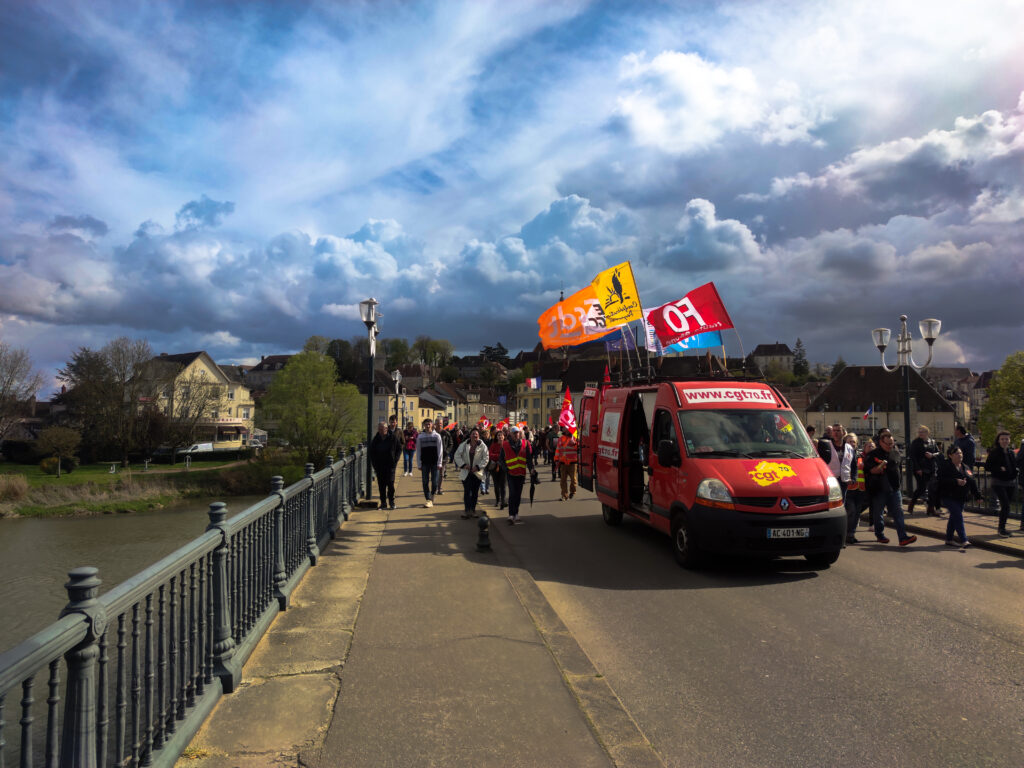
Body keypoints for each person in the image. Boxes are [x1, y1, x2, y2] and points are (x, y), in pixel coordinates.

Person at [865, 429, 917, 546]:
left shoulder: (895, 453)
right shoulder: (873, 455)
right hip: (879, 490)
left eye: (891, 443)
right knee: (878, 514)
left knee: (898, 513)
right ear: (881, 442)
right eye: (887, 443)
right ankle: (880, 534)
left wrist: (899, 484)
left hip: (894, 489)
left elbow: (898, 469)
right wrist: (882, 464)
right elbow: (872, 470)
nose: (890, 446)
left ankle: (903, 538)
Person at [937, 444, 981, 548]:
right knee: (958, 515)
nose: (960, 455)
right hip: (948, 495)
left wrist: (978, 496)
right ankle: (964, 540)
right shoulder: (945, 466)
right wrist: (955, 481)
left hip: (961, 497)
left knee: (954, 517)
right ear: (950, 455)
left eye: (960, 453)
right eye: (957, 453)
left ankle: (949, 539)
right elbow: (940, 480)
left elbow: (972, 482)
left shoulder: (965, 467)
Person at [984, 431, 1019, 536]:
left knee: (1006, 506)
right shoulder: (994, 452)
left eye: (1006, 439)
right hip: (998, 482)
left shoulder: (1011, 452)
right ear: (998, 440)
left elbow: (1015, 465)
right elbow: (987, 467)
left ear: (1009, 440)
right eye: (1002, 439)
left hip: (1010, 482)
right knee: (1006, 506)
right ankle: (1001, 529)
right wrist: (999, 468)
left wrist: (1015, 471)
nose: (1004, 441)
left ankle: (1002, 528)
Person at [501, 425, 535, 525]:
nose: (516, 434)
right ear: (510, 434)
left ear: (520, 434)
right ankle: (511, 514)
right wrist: (506, 469)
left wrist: (531, 469)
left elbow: (529, 459)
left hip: (521, 474)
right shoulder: (505, 445)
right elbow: (501, 460)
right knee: (512, 494)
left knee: (518, 495)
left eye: (517, 433)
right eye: (514, 433)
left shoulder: (525, 443)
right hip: (511, 473)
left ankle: (516, 513)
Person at [843, 436, 872, 544]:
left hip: (860, 489)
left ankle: (851, 535)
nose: (852, 443)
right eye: (849, 441)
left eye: (854, 442)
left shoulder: (860, 456)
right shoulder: (844, 456)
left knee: (856, 514)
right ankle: (846, 533)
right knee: (852, 511)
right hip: (849, 489)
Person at [455, 427, 489, 518]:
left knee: (474, 493)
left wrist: (477, 467)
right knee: (467, 492)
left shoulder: (483, 446)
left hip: (476, 473)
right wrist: (463, 465)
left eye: (476, 434)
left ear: (479, 436)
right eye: (473, 434)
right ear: (470, 435)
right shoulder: (464, 444)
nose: (475, 435)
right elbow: (457, 455)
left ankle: (473, 510)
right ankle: (467, 510)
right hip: (466, 472)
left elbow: (486, 458)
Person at [908, 425, 940, 516]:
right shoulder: (915, 442)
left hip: (931, 468)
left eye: (922, 432)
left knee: (933, 489)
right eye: (919, 432)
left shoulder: (932, 442)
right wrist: (917, 468)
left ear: (927, 433)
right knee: (921, 488)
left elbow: (938, 453)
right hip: (920, 468)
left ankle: (931, 508)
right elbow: (913, 456)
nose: (920, 433)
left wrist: (932, 455)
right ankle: (912, 504)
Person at [369, 421, 401, 510]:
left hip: (390, 465)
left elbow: (399, 449)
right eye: (379, 429)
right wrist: (374, 464)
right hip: (379, 466)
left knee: (390, 484)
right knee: (381, 485)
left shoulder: (393, 437)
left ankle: (391, 501)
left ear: (386, 429)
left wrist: (395, 460)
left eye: (381, 429)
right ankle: (383, 503)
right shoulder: (376, 439)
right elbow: (372, 452)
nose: (380, 430)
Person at [415, 419, 444, 508]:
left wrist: (439, 463)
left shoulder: (437, 436)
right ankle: (428, 499)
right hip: (425, 462)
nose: (428, 426)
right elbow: (418, 451)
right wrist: (419, 464)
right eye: (426, 424)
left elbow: (440, 450)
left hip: (435, 463)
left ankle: (432, 495)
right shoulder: (420, 437)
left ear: (432, 425)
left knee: (434, 482)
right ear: (424, 425)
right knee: (425, 481)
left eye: (429, 424)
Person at [556, 425, 578, 501]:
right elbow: (558, 450)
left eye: (566, 428)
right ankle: (564, 495)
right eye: (564, 428)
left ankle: (572, 491)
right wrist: (556, 460)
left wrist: (575, 444)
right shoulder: (561, 438)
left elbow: (579, 448)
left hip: (572, 463)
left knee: (573, 480)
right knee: (563, 480)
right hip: (563, 463)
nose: (564, 429)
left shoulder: (575, 437)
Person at [488, 429, 507, 510]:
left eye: (501, 435)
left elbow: (508, 455)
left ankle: (503, 501)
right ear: (496, 437)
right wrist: (499, 457)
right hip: (494, 466)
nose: (500, 436)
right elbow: (490, 454)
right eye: (498, 435)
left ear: (504, 436)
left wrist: (500, 458)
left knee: (503, 485)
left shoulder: (507, 445)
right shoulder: (494, 444)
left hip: (503, 467)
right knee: (496, 484)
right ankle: (497, 500)